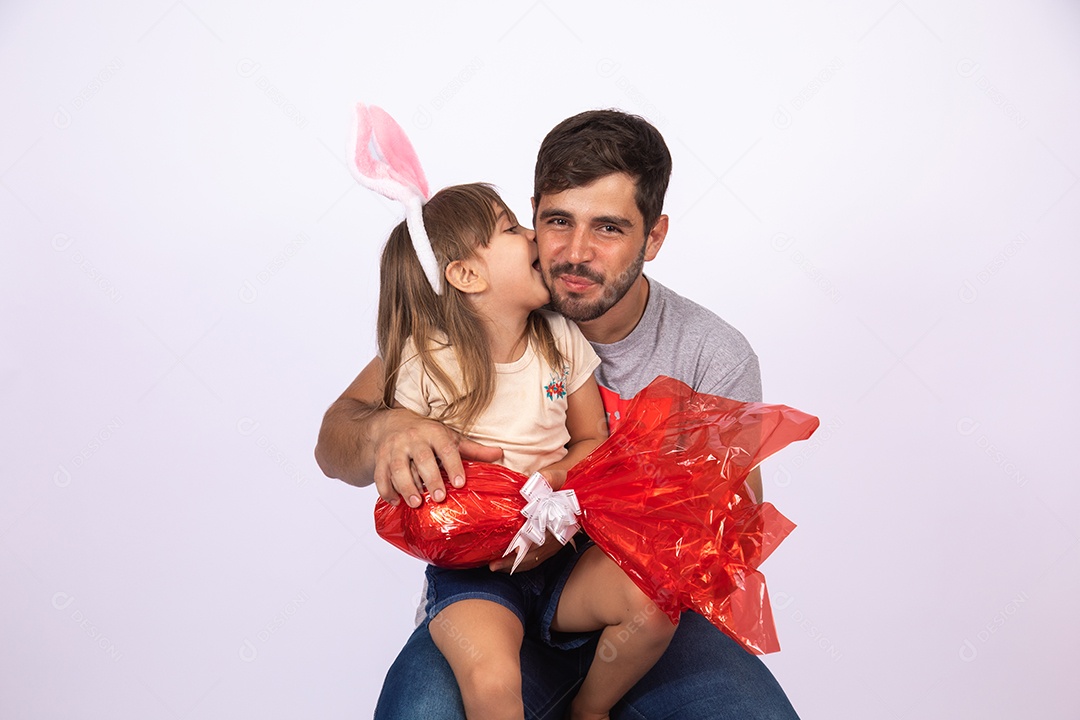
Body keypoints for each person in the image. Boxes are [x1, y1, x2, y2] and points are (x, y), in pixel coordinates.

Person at [315, 110, 799, 719]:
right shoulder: (469, 324)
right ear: (533, 217)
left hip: (644, 619)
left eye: (609, 228)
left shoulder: (710, 353)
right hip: (489, 596)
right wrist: (387, 427)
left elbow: (734, 529)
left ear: (653, 237)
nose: (574, 252)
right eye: (556, 221)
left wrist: (577, 514)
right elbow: (334, 441)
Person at [371, 180, 678, 720]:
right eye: (511, 229)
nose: (535, 235)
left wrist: (554, 484)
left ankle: (591, 709)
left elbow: (591, 440)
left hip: (565, 553)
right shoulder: (426, 361)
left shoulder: (559, 338)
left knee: (653, 603)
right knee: (491, 682)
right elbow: (400, 465)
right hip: (475, 572)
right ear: (467, 274)